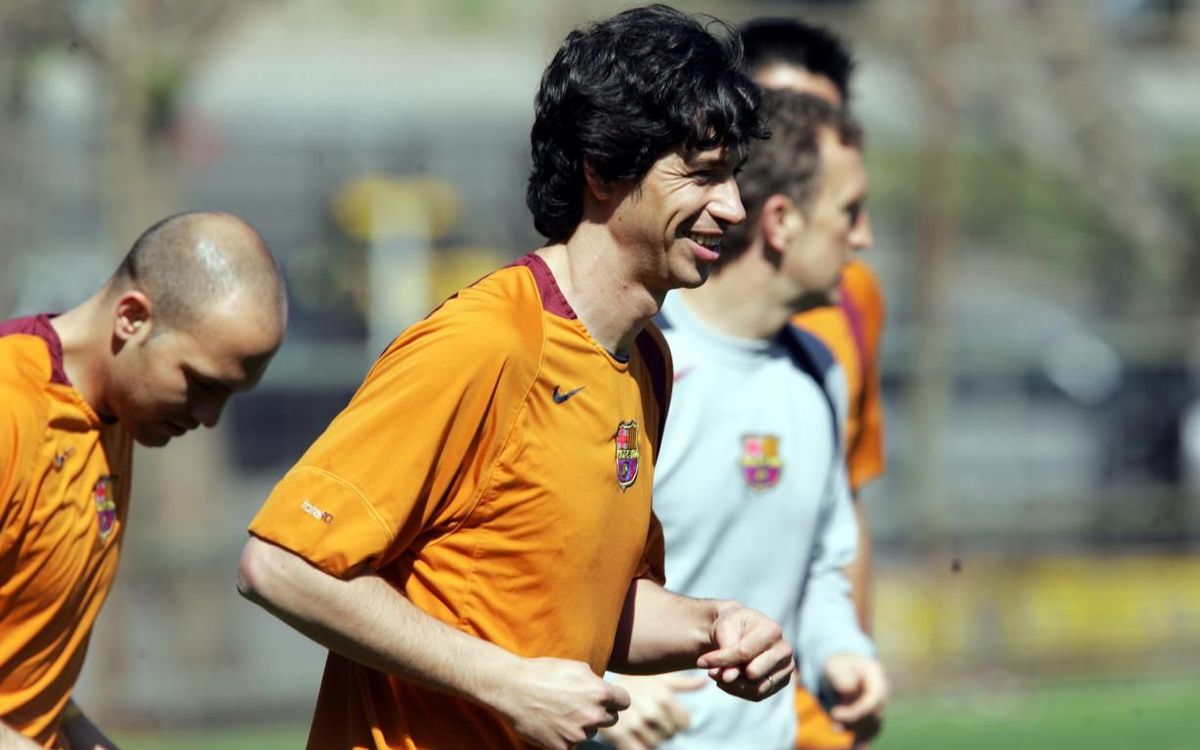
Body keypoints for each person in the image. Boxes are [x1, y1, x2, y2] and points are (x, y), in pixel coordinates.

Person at [236, 6, 795, 750]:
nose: (731, 207)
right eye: (701, 176)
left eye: (733, 178)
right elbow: (282, 564)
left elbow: (593, 605)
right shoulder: (487, 341)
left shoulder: (645, 361)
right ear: (602, 169)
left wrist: (716, 625)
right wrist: (506, 683)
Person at [595, 90, 888, 750]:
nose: (864, 237)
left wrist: (841, 652)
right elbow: (544, 572)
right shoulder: (638, 361)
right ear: (781, 222)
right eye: (849, 212)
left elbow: (818, 563)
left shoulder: (820, 369)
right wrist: (609, 676)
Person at [0, 212, 286, 750]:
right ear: (131, 318)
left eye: (227, 396)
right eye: (200, 384)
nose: (208, 418)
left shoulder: (108, 416)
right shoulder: (11, 409)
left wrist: (75, 731)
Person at [743, 19, 890, 750]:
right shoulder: (655, 315)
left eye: (821, 122)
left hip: (801, 718)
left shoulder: (850, 298)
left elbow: (843, 509)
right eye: (778, 121)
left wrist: (848, 657)